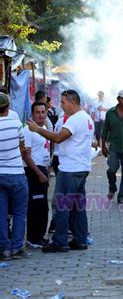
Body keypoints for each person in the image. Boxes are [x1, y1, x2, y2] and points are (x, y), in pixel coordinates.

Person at [28, 89, 94, 253]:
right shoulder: (86, 118)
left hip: (70, 169)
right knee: (78, 205)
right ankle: (80, 240)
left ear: (72, 102)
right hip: (81, 167)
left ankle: (60, 241)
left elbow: (58, 138)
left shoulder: (75, 119)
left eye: (63, 102)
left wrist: (37, 129)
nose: (61, 105)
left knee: (61, 205)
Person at [0, 92, 29, 260]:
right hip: (17, 173)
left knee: (2, 213)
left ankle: (4, 249)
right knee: (19, 211)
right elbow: (22, 147)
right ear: (8, 107)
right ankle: (17, 248)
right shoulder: (16, 123)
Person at [23, 102, 50, 247]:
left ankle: (40, 236)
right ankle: (33, 238)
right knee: (35, 206)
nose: (40, 115)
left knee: (43, 206)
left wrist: (48, 169)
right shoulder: (28, 130)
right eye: (37, 112)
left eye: (43, 112)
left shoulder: (43, 128)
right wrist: (39, 173)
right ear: (32, 114)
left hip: (43, 170)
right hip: (33, 171)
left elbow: (45, 150)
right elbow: (26, 155)